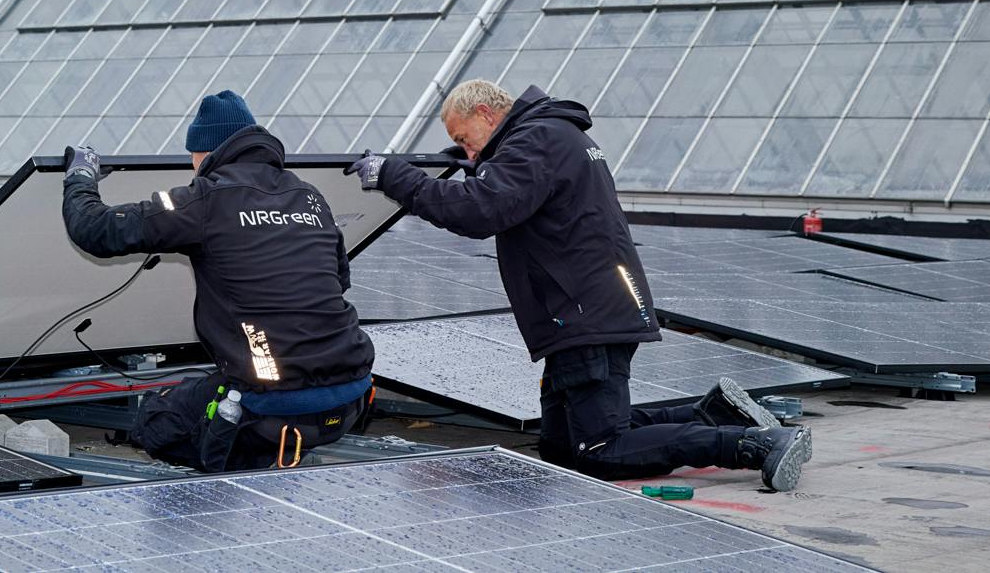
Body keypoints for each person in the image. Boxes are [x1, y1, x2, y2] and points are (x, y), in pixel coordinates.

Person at [348, 79, 813, 492]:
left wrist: (395, 176)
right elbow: (503, 185)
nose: (468, 154)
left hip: (585, 312)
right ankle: (713, 414)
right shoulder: (551, 135)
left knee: (601, 449)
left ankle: (752, 444)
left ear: (486, 114)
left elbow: (480, 211)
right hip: (590, 307)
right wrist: (455, 163)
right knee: (563, 445)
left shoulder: (535, 141)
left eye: (464, 140)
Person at [62, 89, 374, 472]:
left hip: (272, 400)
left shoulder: (206, 200)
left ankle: (242, 475)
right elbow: (339, 281)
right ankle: (275, 462)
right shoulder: (309, 196)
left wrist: (80, 176)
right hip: (351, 391)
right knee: (214, 384)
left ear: (205, 153)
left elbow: (95, 229)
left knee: (155, 422)